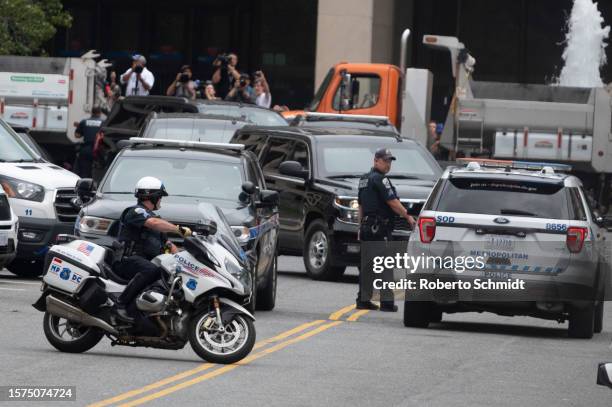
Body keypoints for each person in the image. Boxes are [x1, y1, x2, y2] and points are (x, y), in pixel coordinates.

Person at [113, 177, 192, 322]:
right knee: (151, 270)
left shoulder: (155, 219)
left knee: (169, 276)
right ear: (153, 197)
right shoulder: (136, 212)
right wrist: (178, 229)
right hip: (126, 260)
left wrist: (186, 261)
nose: (161, 200)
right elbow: (154, 223)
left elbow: (169, 244)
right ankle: (120, 305)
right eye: (160, 196)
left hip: (142, 261)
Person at [357, 148, 416, 312]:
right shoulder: (381, 180)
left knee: (367, 265)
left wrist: (360, 226)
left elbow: (361, 205)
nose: (388, 164)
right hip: (380, 228)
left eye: (390, 161)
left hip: (367, 227)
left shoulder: (364, 179)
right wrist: (408, 216)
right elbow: (393, 202)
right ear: (376, 160)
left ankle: (363, 300)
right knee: (385, 266)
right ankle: (387, 302)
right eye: (385, 161)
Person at [74, 106, 103, 178]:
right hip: (98, 151)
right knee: (100, 171)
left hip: (86, 149)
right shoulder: (103, 122)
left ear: (91, 112)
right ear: (100, 113)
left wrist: (84, 130)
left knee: (84, 172)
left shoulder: (84, 121)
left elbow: (77, 135)